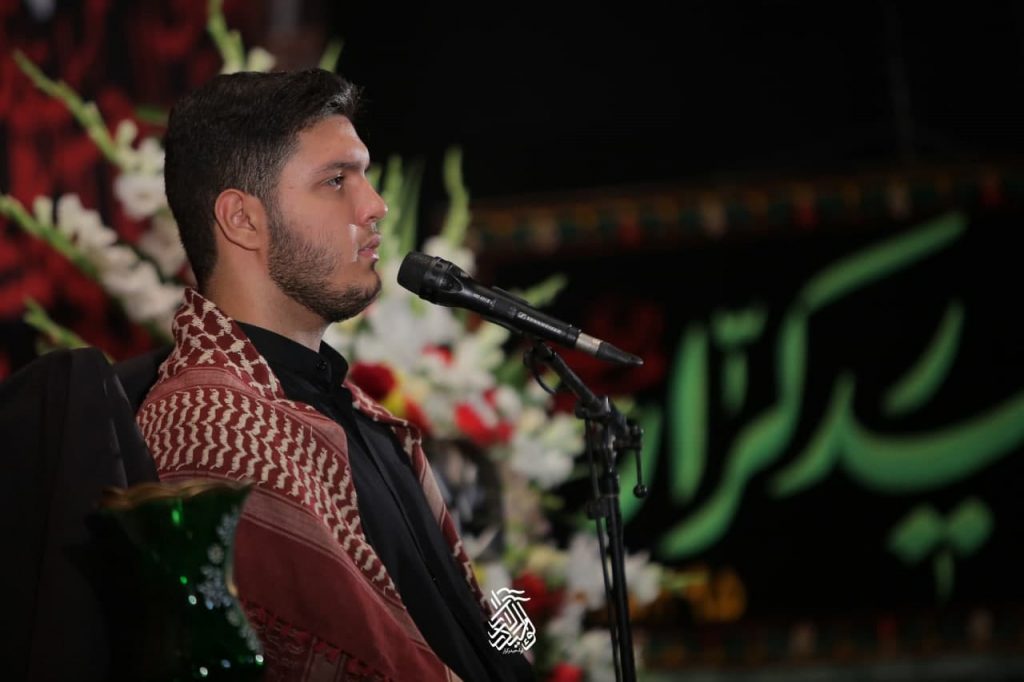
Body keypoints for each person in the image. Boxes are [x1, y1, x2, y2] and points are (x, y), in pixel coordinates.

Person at [138, 69, 534, 682]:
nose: (375, 205)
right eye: (335, 180)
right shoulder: (207, 425)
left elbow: (475, 630)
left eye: (364, 175)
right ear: (242, 220)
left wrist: (516, 606)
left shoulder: (352, 411)